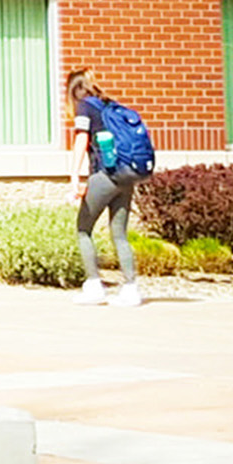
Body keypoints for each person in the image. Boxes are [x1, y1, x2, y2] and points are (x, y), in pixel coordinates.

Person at [67, 65, 149, 307]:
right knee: (120, 234)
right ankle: (131, 289)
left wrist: (74, 177)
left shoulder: (84, 106)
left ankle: (94, 286)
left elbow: (81, 140)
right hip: (126, 175)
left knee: (83, 229)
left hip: (104, 176)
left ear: (73, 89)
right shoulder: (109, 105)